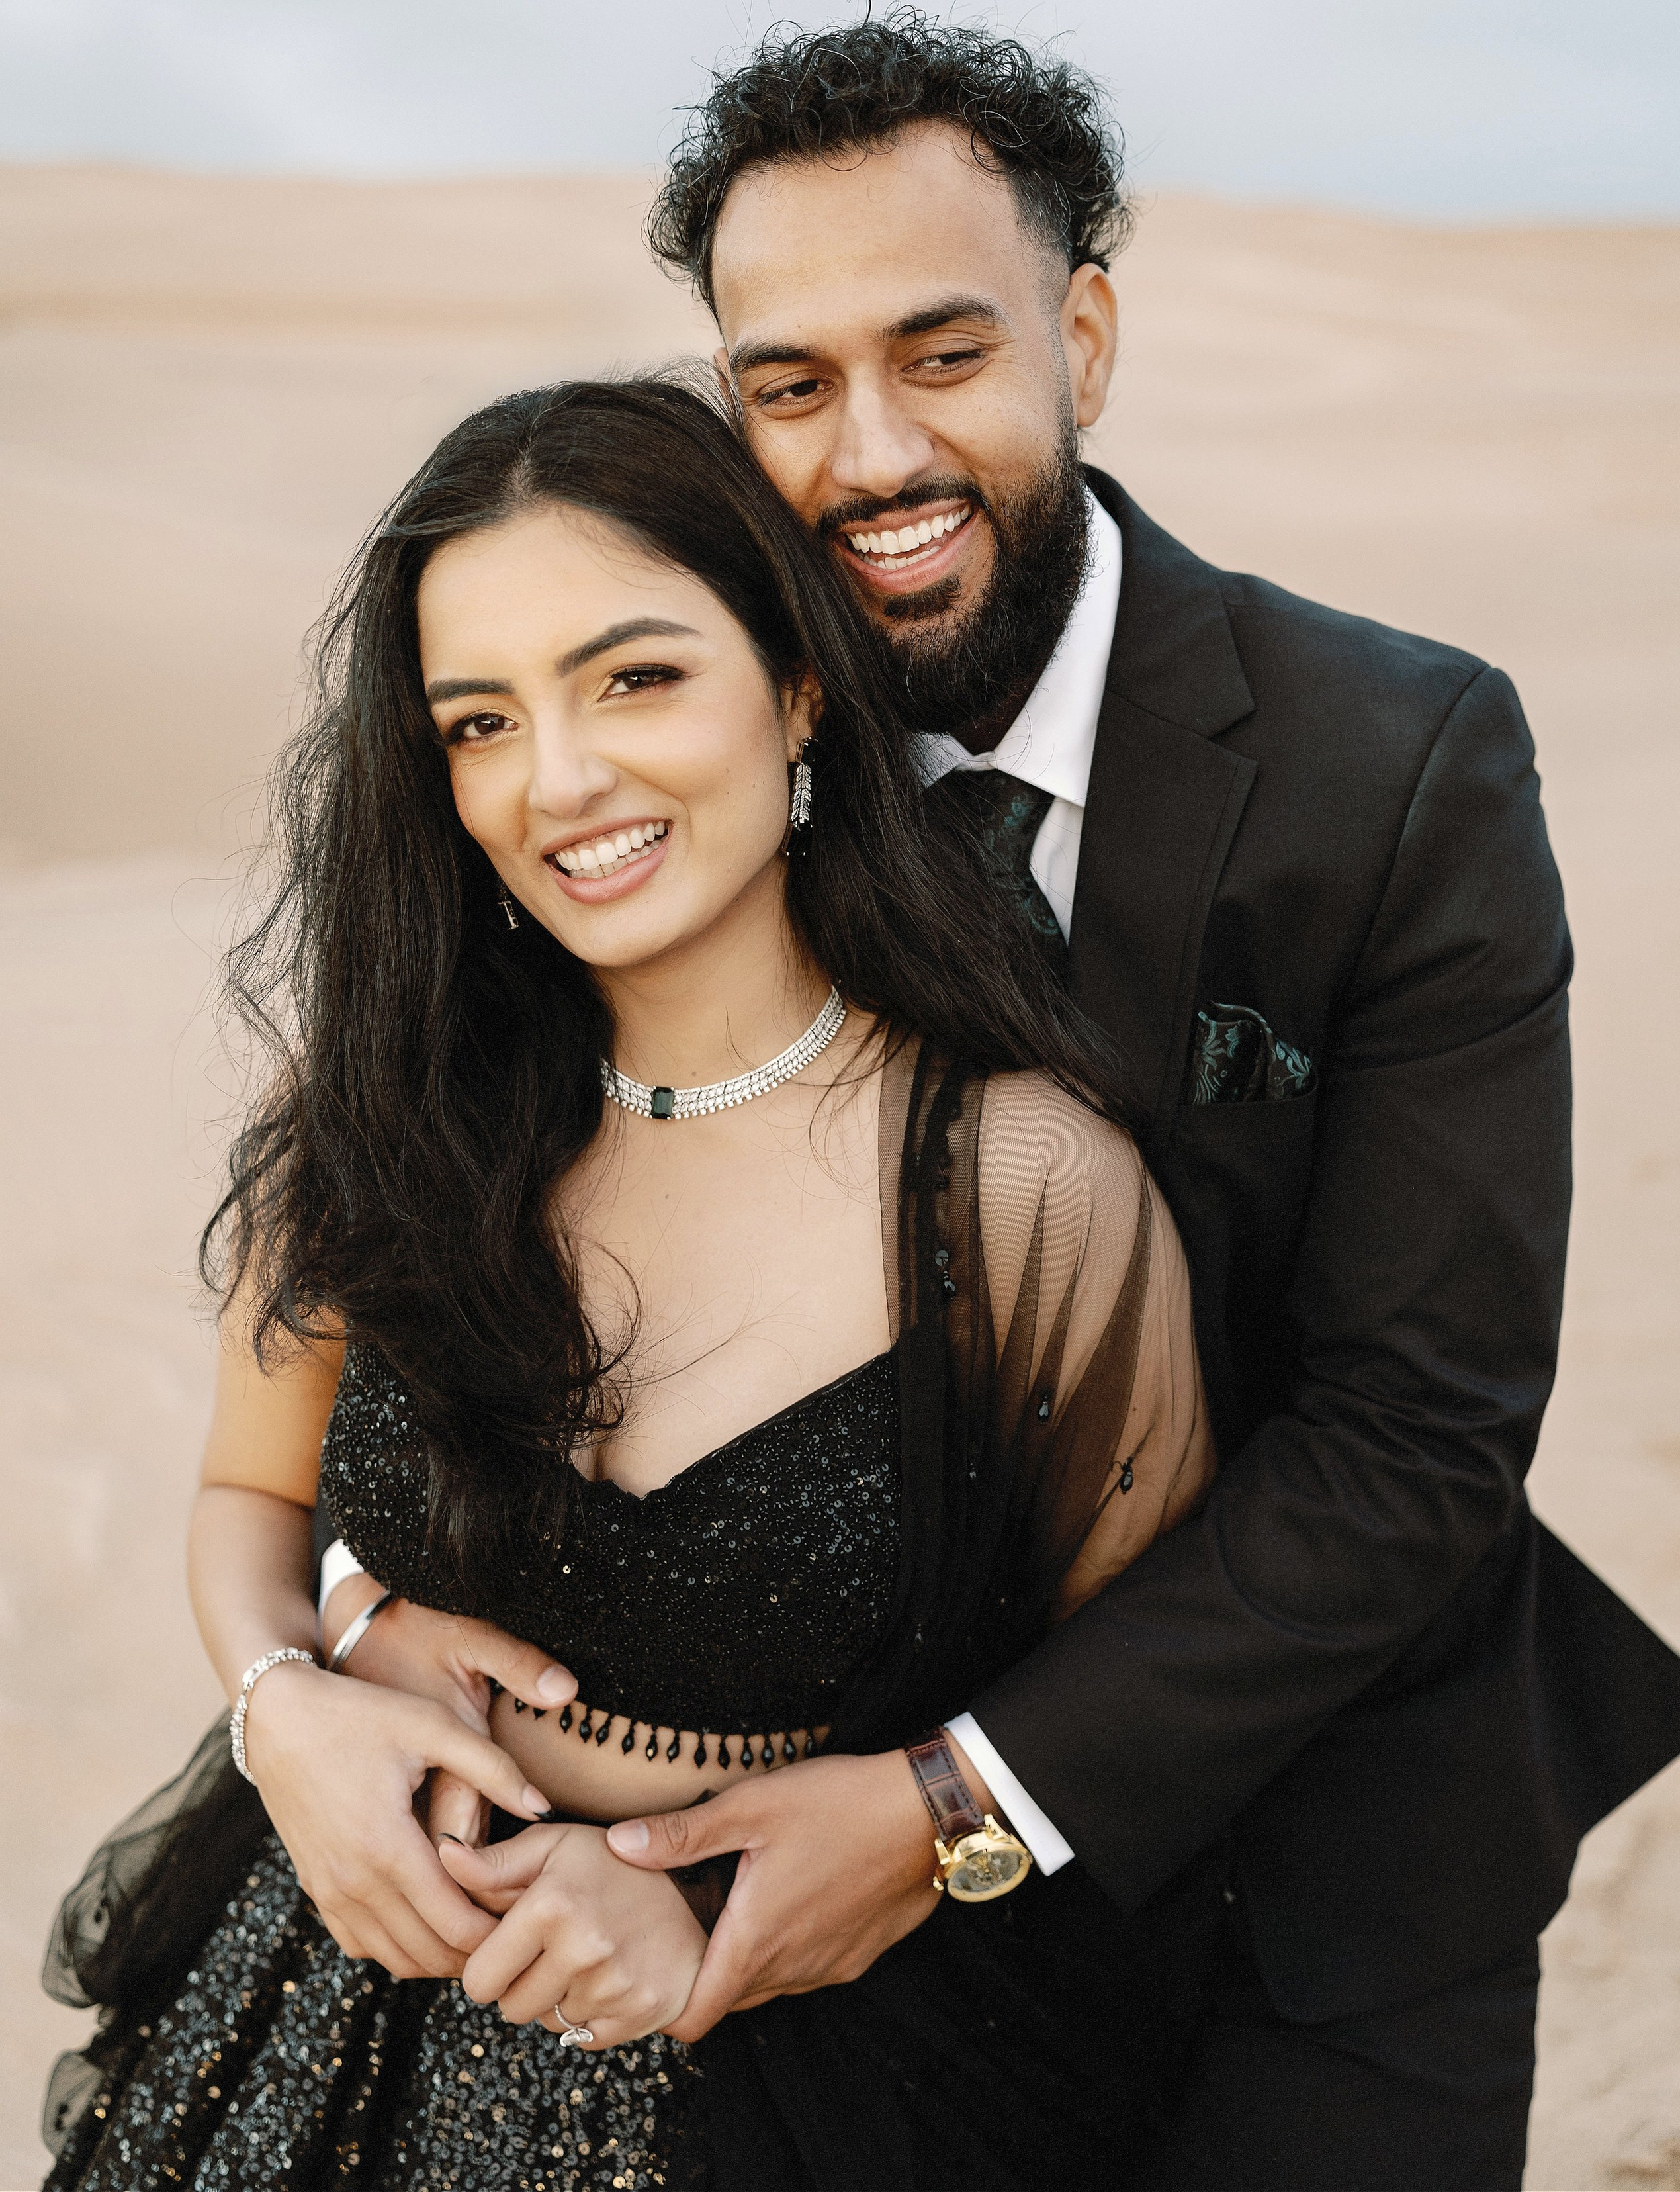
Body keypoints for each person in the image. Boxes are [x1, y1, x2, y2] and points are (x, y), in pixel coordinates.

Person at [346, 12, 1680, 2189]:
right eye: (789, 385)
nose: (871, 451)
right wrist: (326, 1634)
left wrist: (960, 1800)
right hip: (780, 1891)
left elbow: (1418, 1429)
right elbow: (483, 1213)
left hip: (1314, 1873)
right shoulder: (687, 748)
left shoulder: (1399, 765)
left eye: (944, 353)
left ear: (1084, 333)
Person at [42, 375, 1216, 2192]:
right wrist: (293, 1702)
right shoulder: (380, 1107)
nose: (561, 779)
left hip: (818, 2084)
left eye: (635, 676)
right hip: (326, 2020)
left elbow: (1126, 1718)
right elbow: (245, 1494)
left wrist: (733, 1907)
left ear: (800, 684)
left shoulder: (1022, 1190)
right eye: (481, 720)